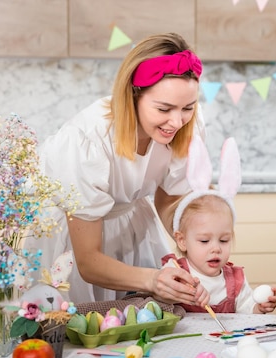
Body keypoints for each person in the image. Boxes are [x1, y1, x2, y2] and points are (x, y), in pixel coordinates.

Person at [23, 32, 210, 308]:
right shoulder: (87, 140)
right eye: (164, 108)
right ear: (133, 95)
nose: (177, 121)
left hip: (131, 224)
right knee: (81, 332)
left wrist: (197, 243)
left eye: (187, 108)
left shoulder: (186, 126)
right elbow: (88, 262)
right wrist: (152, 279)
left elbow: (169, 197)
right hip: (73, 242)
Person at [162, 136, 276, 314]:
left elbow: (246, 311)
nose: (216, 248)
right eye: (204, 241)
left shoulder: (235, 280)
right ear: (182, 240)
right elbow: (158, 303)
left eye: (223, 240)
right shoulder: (174, 271)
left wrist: (259, 308)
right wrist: (179, 293)